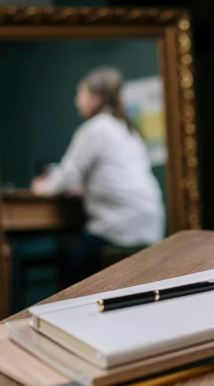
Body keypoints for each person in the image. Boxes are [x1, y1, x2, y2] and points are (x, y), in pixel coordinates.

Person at [32, 67, 165, 286]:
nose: (77, 101)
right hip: (151, 224)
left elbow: (67, 175)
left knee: (71, 262)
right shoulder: (128, 129)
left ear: (96, 98)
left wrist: (42, 187)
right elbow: (117, 176)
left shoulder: (94, 129)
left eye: (80, 94)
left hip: (119, 228)